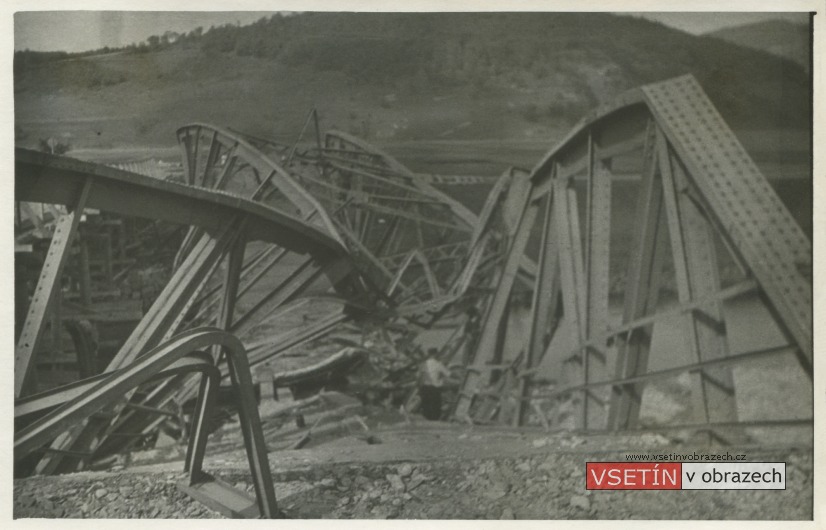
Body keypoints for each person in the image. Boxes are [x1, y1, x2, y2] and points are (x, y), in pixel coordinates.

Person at [418, 349, 451, 420]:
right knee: (436, 406)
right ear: (435, 354)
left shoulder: (423, 364)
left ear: (428, 354)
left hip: (424, 387)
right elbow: (448, 374)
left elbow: (419, 376)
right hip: (434, 388)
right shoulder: (438, 364)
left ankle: (426, 420)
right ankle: (434, 421)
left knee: (425, 406)